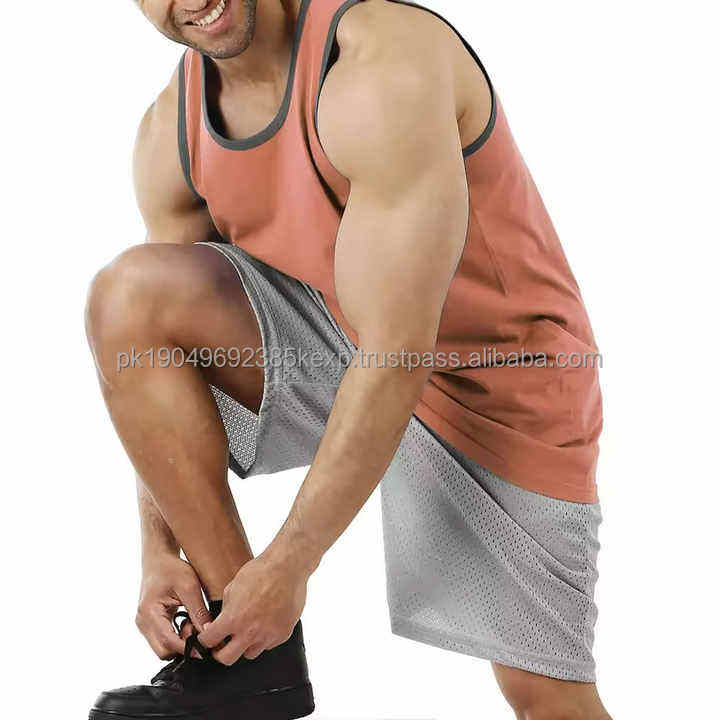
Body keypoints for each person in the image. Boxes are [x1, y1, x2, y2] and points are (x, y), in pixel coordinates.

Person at [85, 1, 611, 718]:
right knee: (132, 295)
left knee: (548, 701)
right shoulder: (169, 130)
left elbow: (398, 349)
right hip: (336, 347)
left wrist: (289, 565)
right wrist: (159, 548)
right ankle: (254, 669)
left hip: (495, 382)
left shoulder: (380, 61)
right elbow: (155, 369)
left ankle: (263, 630)